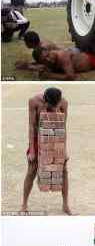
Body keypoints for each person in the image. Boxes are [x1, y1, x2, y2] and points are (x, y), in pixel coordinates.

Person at [19, 87, 71, 215]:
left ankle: (65, 205)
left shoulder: (64, 103)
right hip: (38, 138)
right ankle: (24, 204)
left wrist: (64, 150)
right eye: (50, 105)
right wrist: (32, 150)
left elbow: (63, 127)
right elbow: (31, 126)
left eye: (55, 105)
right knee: (31, 170)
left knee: (63, 170)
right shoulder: (34, 101)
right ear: (45, 100)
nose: (53, 107)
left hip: (55, 140)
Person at [15, 29, 95, 79]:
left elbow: (70, 75)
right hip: (74, 56)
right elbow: (45, 64)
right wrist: (28, 65)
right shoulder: (41, 51)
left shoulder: (45, 48)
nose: (48, 59)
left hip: (76, 56)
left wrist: (30, 67)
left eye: (25, 42)